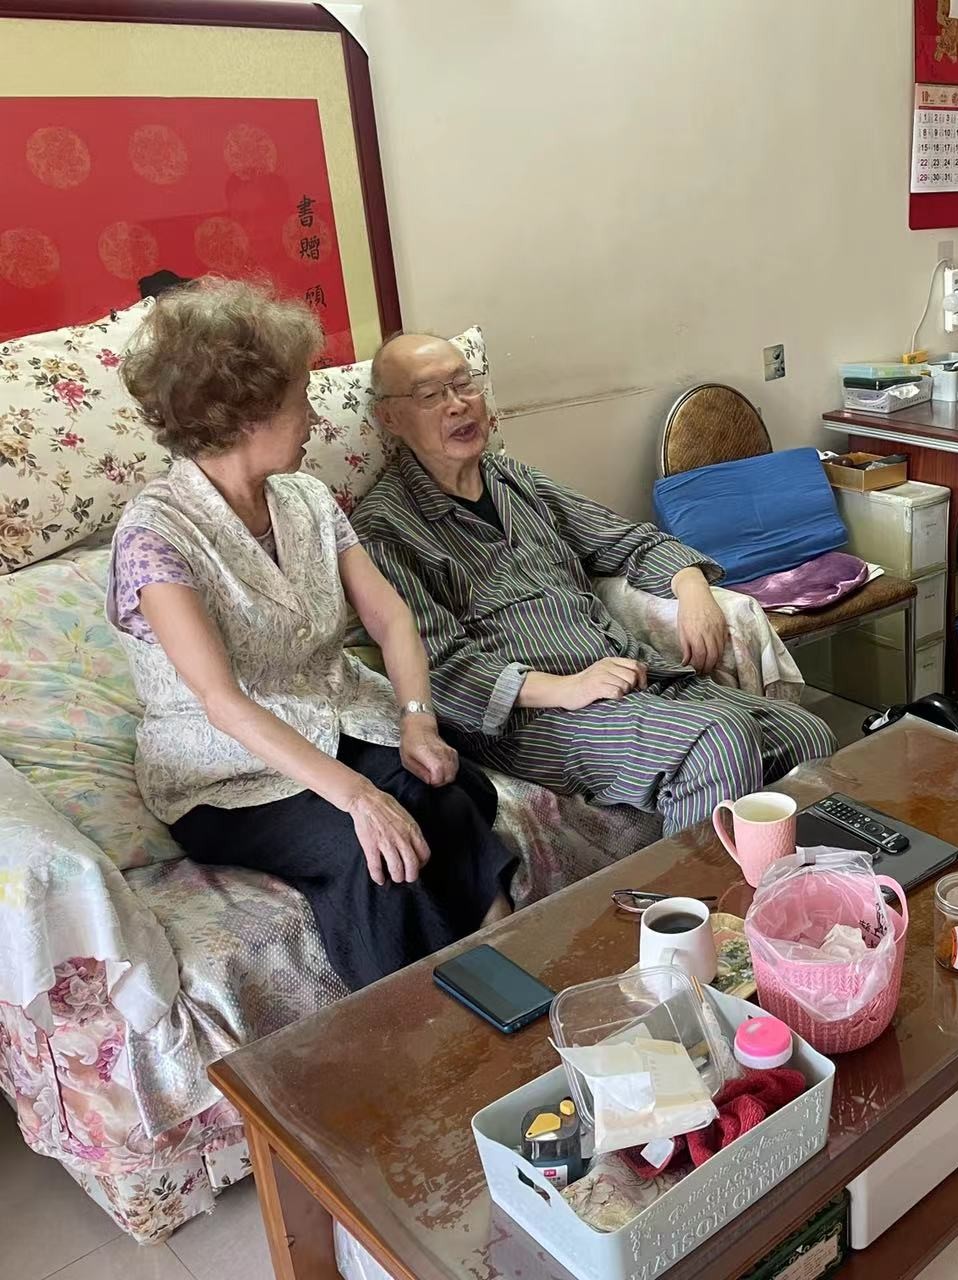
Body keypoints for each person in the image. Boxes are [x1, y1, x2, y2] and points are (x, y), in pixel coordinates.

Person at [107, 279, 517, 993]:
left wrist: (417, 721)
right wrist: (358, 796)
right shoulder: (155, 535)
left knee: (451, 793)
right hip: (225, 772)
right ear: (245, 413)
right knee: (373, 853)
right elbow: (222, 702)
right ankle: (420, 1026)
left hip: (335, 721)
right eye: (301, 396)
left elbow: (390, 618)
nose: (314, 416)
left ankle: (507, 971)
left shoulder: (307, 500)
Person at [351, 334, 838, 835]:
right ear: (390, 418)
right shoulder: (382, 528)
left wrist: (693, 589)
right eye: (431, 395)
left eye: (463, 384)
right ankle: (691, 887)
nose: (458, 404)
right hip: (533, 716)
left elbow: (628, 540)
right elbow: (440, 668)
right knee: (715, 741)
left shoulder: (514, 480)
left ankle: (798, 880)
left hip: (630, 677)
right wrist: (567, 688)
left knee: (805, 734)